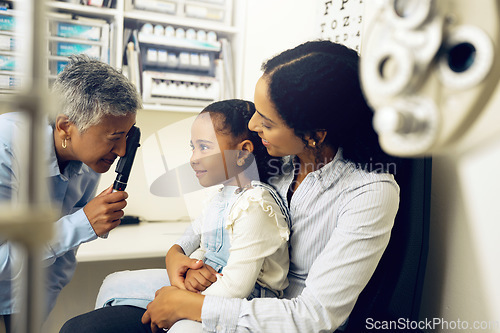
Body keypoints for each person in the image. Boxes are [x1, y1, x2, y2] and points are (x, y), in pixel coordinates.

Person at [61, 40, 400, 333]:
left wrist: (191, 306)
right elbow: (209, 224)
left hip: (275, 318)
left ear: (315, 134)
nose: (253, 125)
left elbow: (315, 315)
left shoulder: (369, 193)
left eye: (266, 121)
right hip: (227, 287)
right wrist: (178, 260)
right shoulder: (274, 163)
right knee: (97, 309)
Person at [62, 99, 291, 331]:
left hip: (238, 303)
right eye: (193, 147)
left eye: (204, 147)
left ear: (242, 153)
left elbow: (235, 289)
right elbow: (198, 240)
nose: (193, 158)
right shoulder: (220, 197)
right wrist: (190, 264)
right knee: (113, 284)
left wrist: (179, 298)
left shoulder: (256, 207)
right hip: (205, 286)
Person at [0, 54, 142, 329]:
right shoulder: (7, 148)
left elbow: (63, 258)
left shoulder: (89, 159)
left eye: (127, 136)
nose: (123, 151)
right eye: (114, 138)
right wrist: (82, 224)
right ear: (66, 127)